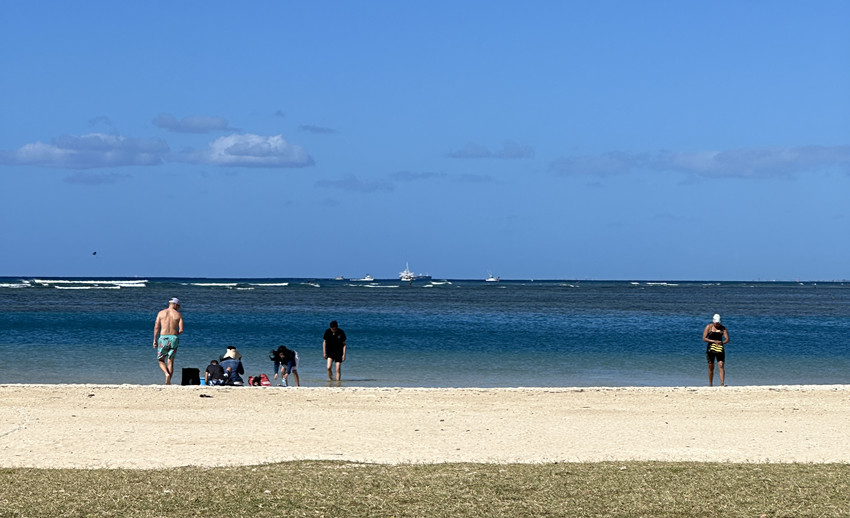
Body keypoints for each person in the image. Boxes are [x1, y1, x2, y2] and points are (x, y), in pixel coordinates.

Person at [153, 297, 184, 385]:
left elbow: (156, 327)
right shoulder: (178, 315)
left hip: (163, 338)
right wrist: (174, 334)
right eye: (178, 306)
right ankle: (169, 381)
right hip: (173, 338)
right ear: (175, 305)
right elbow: (181, 330)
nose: (179, 308)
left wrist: (154, 340)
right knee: (170, 360)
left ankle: (166, 374)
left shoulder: (161, 313)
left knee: (161, 360)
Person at [703, 313, 730, 387]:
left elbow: (727, 339)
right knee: (711, 366)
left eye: (718, 323)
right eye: (716, 323)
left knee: (721, 365)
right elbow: (704, 338)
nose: (717, 325)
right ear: (713, 322)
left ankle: (722, 383)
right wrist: (714, 341)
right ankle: (710, 384)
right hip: (710, 349)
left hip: (720, 348)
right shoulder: (709, 327)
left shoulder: (723, 328)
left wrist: (722, 343)